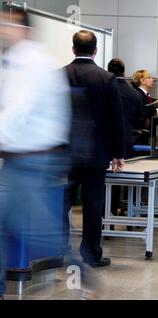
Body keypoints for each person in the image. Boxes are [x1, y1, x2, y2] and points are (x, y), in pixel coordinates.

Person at [0, 7, 71, 299]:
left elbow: (18, 109)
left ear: (24, 30)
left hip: (31, 158)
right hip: (22, 158)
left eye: (7, 24)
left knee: (33, 229)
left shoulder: (30, 63)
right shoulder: (13, 61)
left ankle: (77, 268)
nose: (2, 29)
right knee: (12, 225)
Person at [64, 30, 125, 268]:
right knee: (92, 203)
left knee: (62, 201)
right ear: (96, 50)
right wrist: (118, 153)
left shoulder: (59, 76)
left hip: (65, 153)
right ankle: (90, 253)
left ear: (73, 49)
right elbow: (116, 119)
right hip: (96, 153)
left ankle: (58, 252)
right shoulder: (106, 78)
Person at [107, 58, 145, 159]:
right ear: (124, 73)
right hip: (126, 140)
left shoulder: (103, 90)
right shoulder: (135, 94)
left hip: (106, 141)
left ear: (108, 71)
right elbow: (139, 123)